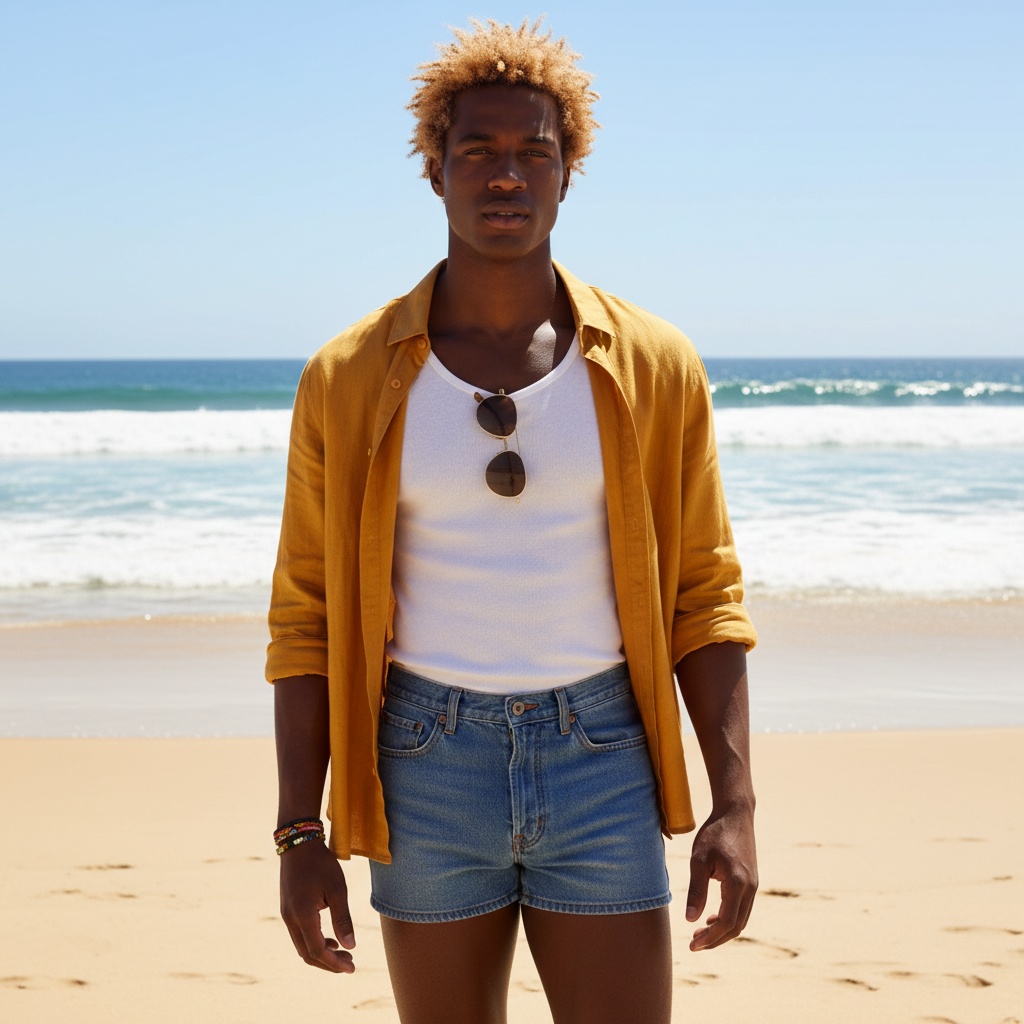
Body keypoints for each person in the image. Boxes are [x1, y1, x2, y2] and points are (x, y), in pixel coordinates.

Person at [267, 18, 757, 1024]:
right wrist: (297, 830)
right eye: (477, 152)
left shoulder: (653, 362)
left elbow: (704, 592)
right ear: (434, 171)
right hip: (423, 760)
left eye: (534, 151)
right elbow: (306, 614)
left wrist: (735, 804)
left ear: (568, 172)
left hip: (603, 752)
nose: (505, 176)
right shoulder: (350, 375)